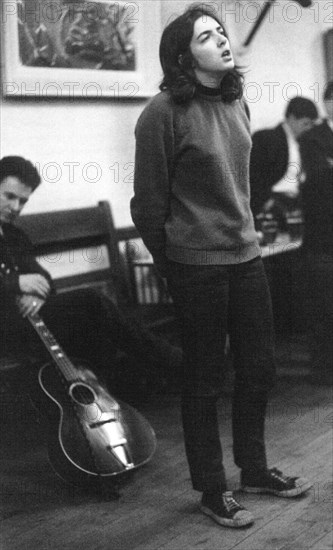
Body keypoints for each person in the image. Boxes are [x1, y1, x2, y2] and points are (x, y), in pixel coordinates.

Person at [131, 4, 312, 529]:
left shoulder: (237, 103)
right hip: (197, 266)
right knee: (205, 379)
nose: (222, 42)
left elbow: (240, 185)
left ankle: (253, 471)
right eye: (207, 37)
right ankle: (213, 489)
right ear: (184, 56)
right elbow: (147, 205)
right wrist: (176, 261)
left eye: (221, 33)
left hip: (246, 257)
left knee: (259, 368)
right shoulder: (161, 114)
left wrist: (247, 231)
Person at [0, 155, 181, 401]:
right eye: (9, 197)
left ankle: (105, 410)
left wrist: (35, 292)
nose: (16, 208)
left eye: (23, 201)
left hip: (30, 321)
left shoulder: (13, 235)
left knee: (93, 326)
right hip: (6, 328)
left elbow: (44, 279)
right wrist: (16, 284)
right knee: (91, 301)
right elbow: (23, 279)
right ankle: (175, 365)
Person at [299, 81, 333, 385]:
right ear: (328, 103)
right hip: (324, 233)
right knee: (324, 303)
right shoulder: (312, 138)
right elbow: (320, 178)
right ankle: (324, 371)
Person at [250, 96, 318, 223]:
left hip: (298, 202)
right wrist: (268, 202)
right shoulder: (265, 139)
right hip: (272, 202)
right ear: (291, 119)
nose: (309, 128)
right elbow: (254, 177)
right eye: (305, 123)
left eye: (311, 125)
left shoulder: (307, 143)